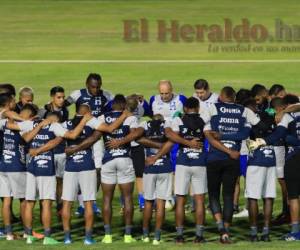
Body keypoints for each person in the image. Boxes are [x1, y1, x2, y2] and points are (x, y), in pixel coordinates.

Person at [8, 110, 93, 245]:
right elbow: (73, 135)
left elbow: (12, 127)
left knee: (29, 202)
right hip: (46, 169)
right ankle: (47, 237)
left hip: (31, 168)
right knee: (46, 203)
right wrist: (84, 120)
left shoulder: (31, 124)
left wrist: (36, 125)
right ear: (55, 120)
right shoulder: (55, 126)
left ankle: (29, 236)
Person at [203, 86, 260, 243]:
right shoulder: (243, 111)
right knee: (228, 196)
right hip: (233, 158)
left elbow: (206, 131)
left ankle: (221, 228)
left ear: (221, 96)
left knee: (213, 195)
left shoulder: (213, 108)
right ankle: (226, 230)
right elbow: (247, 131)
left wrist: (221, 134)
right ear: (234, 98)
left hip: (214, 158)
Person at [65, 73, 114, 215]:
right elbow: (64, 104)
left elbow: (117, 105)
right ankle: (81, 204)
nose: (96, 89)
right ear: (87, 84)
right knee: (79, 169)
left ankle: (91, 202)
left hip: (97, 135)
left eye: (98, 86)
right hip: (80, 136)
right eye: (93, 87)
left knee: (98, 170)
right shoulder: (77, 94)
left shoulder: (107, 95)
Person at [99, 95, 142, 244]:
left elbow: (96, 134)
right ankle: (128, 235)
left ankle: (108, 235)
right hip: (124, 158)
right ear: (123, 106)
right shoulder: (130, 118)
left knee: (106, 199)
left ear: (112, 106)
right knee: (128, 198)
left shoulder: (103, 117)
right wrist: (121, 142)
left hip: (108, 160)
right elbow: (136, 133)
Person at [165, 97, 207, 244]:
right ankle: (199, 236)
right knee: (200, 200)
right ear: (198, 108)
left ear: (185, 109)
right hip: (200, 163)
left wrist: (186, 142)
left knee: (181, 200)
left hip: (183, 163)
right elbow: (213, 135)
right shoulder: (204, 121)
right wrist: (193, 142)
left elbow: (169, 134)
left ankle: (180, 236)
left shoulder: (179, 121)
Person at [149, 80, 187, 209]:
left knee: (175, 167)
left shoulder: (181, 99)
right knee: (157, 166)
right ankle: (157, 196)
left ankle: (174, 195)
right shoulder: (153, 100)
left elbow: (188, 114)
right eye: (162, 93)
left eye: (167, 93)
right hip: (158, 140)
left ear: (172, 90)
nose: (164, 96)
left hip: (175, 139)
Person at [244, 98, 277, 242]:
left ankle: (253, 233)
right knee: (268, 196)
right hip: (271, 158)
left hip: (256, 160)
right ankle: (266, 232)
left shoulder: (250, 120)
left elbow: (245, 138)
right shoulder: (270, 117)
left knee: (253, 197)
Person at [138, 114, 173, 245]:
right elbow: (172, 141)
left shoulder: (146, 129)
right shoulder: (167, 129)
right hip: (165, 167)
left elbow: (137, 138)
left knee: (148, 203)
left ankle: (145, 235)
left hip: (149, 167)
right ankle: (157, 238)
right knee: (161, 204)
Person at [38, 86, 69, 216]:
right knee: (47, 181)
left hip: (61, 151)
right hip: (48, 152)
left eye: (63, 97)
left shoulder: (65, 111)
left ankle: (59, 206)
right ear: (52, 97)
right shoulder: (43, 111)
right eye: (58, 97)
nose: (61, 100)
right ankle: (43, 208)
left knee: (60, 180)